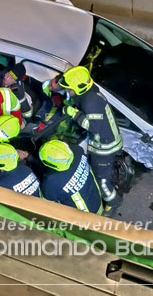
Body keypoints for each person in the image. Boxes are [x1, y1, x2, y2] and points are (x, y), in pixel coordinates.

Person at [57, 66, 123, 212]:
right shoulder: (91, 93)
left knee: (102, 180)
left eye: (69, 89)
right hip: (106, 140)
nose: (68, 92)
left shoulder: (90, 102)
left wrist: (74, 114)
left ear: (78, 88)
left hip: (105, 147)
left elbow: (93, 127)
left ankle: (113, 202)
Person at [39, 139, 103, 214]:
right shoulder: (77, 150)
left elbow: (46, 200)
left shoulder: (52, 182)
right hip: (97, 198)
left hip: (84, 215)